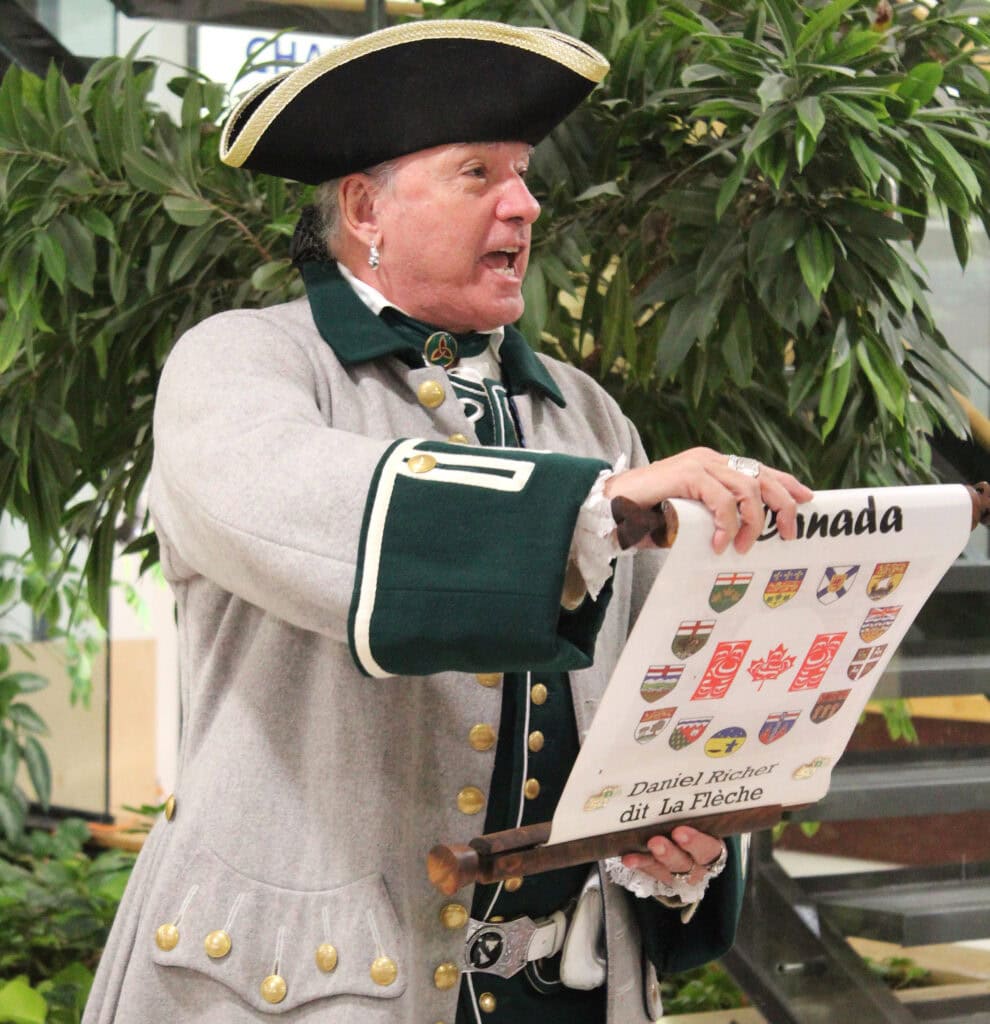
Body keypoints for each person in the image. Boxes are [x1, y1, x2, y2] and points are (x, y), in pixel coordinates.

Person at [83, 20, 812, 1024]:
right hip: (314, 987)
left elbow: (660, 692)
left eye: (524, 175)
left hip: (574, 989)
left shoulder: (590, 415)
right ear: (364, 207)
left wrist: (676, 838)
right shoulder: (241, 366)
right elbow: (304, 507)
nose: (525, 203)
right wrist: (594, 507)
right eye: (479, 174)